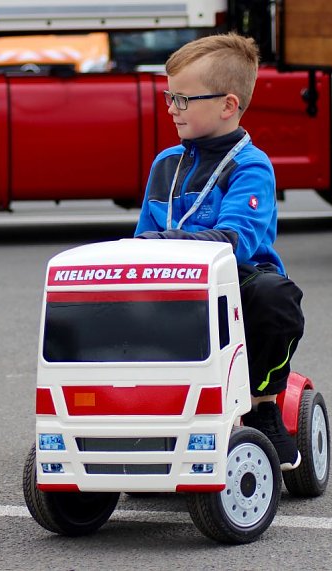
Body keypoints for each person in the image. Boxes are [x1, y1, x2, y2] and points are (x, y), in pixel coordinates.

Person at [134, 33, 305, 471]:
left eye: (183, 98)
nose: (171, 107)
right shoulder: (164, 165)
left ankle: (263, 404)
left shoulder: (251, 166)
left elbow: (236, 241)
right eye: (168, 96)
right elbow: (141, 241)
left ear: (228, 105)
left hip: (236, 282)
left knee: (276, 297)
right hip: (170, 283)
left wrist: (165, 244)